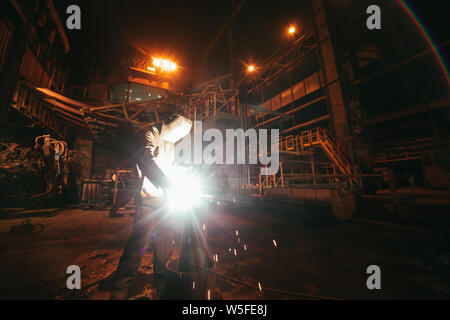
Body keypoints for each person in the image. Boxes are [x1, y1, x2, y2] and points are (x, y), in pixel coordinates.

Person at [111, 117, 192, 300]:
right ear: (169, 125)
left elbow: (170, 167)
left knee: (164, 252)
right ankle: (119, 293)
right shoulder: (148, 134)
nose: (178, 138)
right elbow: (147, 162)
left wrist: (184, 176)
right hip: (148, 200)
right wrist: (169, 185)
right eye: (177, 134)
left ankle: (161, 292)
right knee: (137, 248)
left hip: (166, 202)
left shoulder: (169, 142)